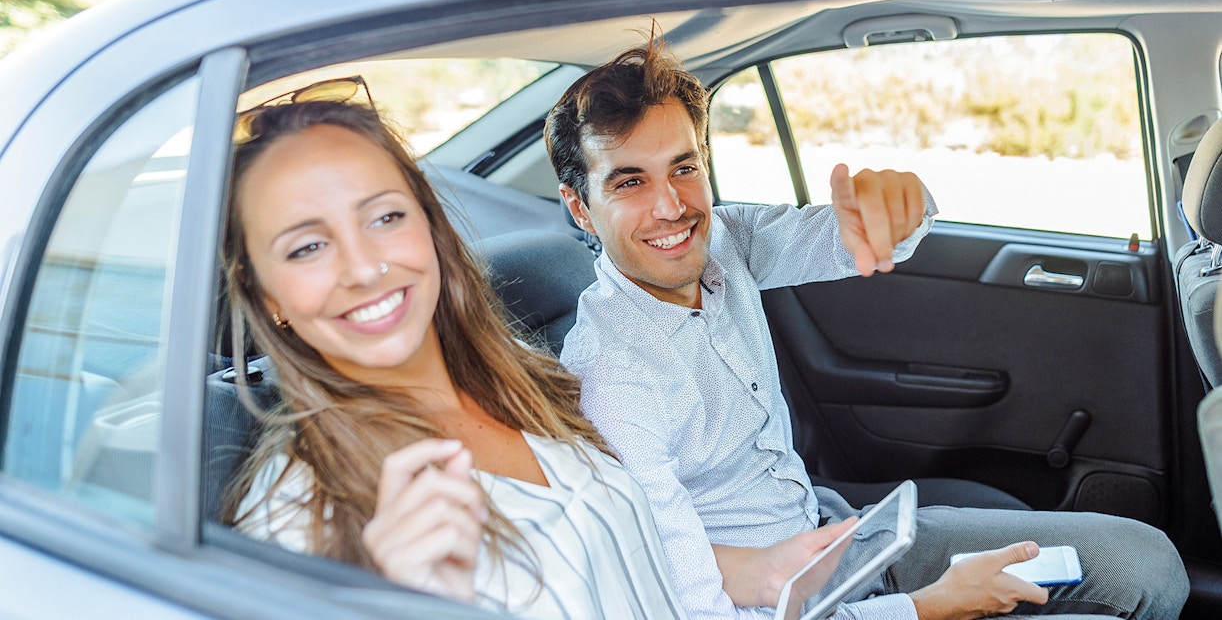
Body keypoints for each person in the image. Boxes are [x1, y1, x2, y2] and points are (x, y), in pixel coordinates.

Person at [546, 38, 1190, 620]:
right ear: (580, 207)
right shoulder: (611, 382)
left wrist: (899, 204)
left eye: (684, 168)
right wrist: (928, 609)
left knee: (1149, 567)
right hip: (778, 605)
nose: (671, 206)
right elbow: (699, 607)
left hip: (840, 537)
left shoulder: (725, 242)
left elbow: (850, 235)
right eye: (630, 182)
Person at [218, 97, 771, 618]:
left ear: (429, 227)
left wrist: (770, 573)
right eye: (307, 247)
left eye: (384, 218)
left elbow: (627, 568)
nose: (362, 268)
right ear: (266, 296)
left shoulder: (523, 376)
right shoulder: (293, 517)